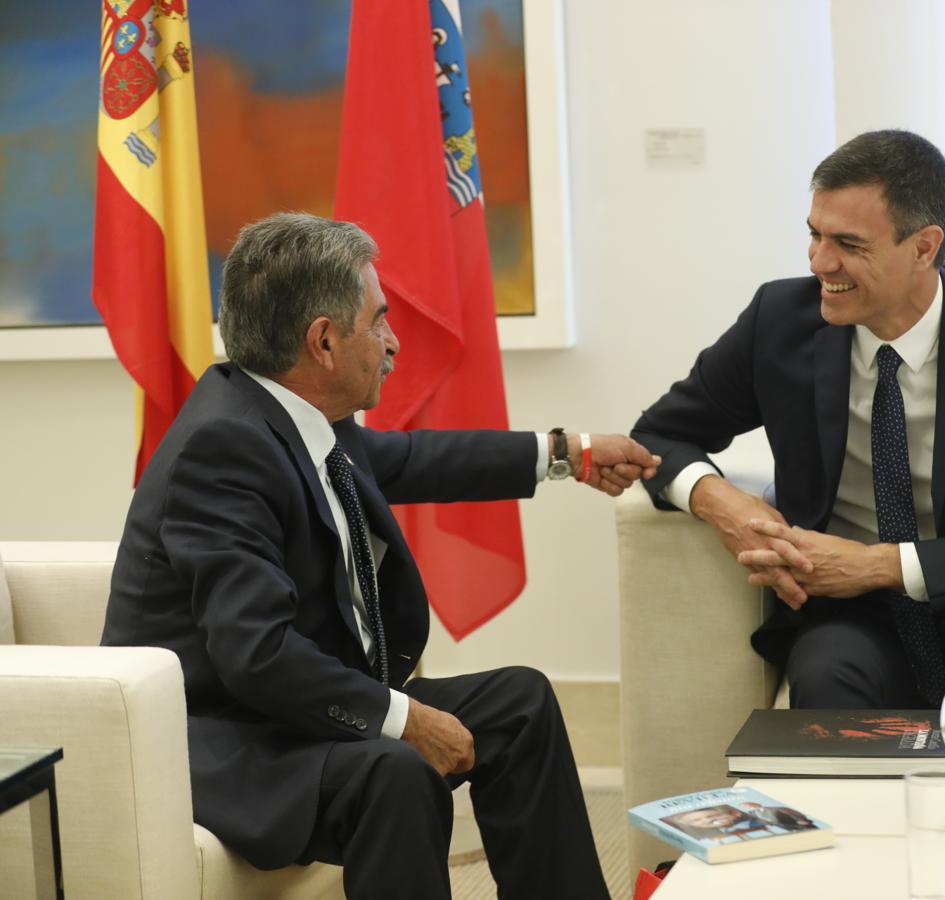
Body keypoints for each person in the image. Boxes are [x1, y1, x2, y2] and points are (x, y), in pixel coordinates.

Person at [102, 212, 658, 899]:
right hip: (230, 740)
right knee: (395, 772)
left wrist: (565, 453)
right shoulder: (224, 449)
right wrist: (405, 719)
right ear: (325, 341)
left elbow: (413, 459)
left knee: (520, 702)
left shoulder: (295, 414)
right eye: (380, 322)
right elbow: (257, 654)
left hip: (288, 710)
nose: (393, 344)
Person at [631, 130, 945, 721]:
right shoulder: (779, 321)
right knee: (825, 670)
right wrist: (727, 506)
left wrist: (878, 565)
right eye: (814, 235)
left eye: (848, 243)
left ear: (923, 247)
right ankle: (847, 818)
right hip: (853, 614)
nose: (821, 263)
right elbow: (655, 435)